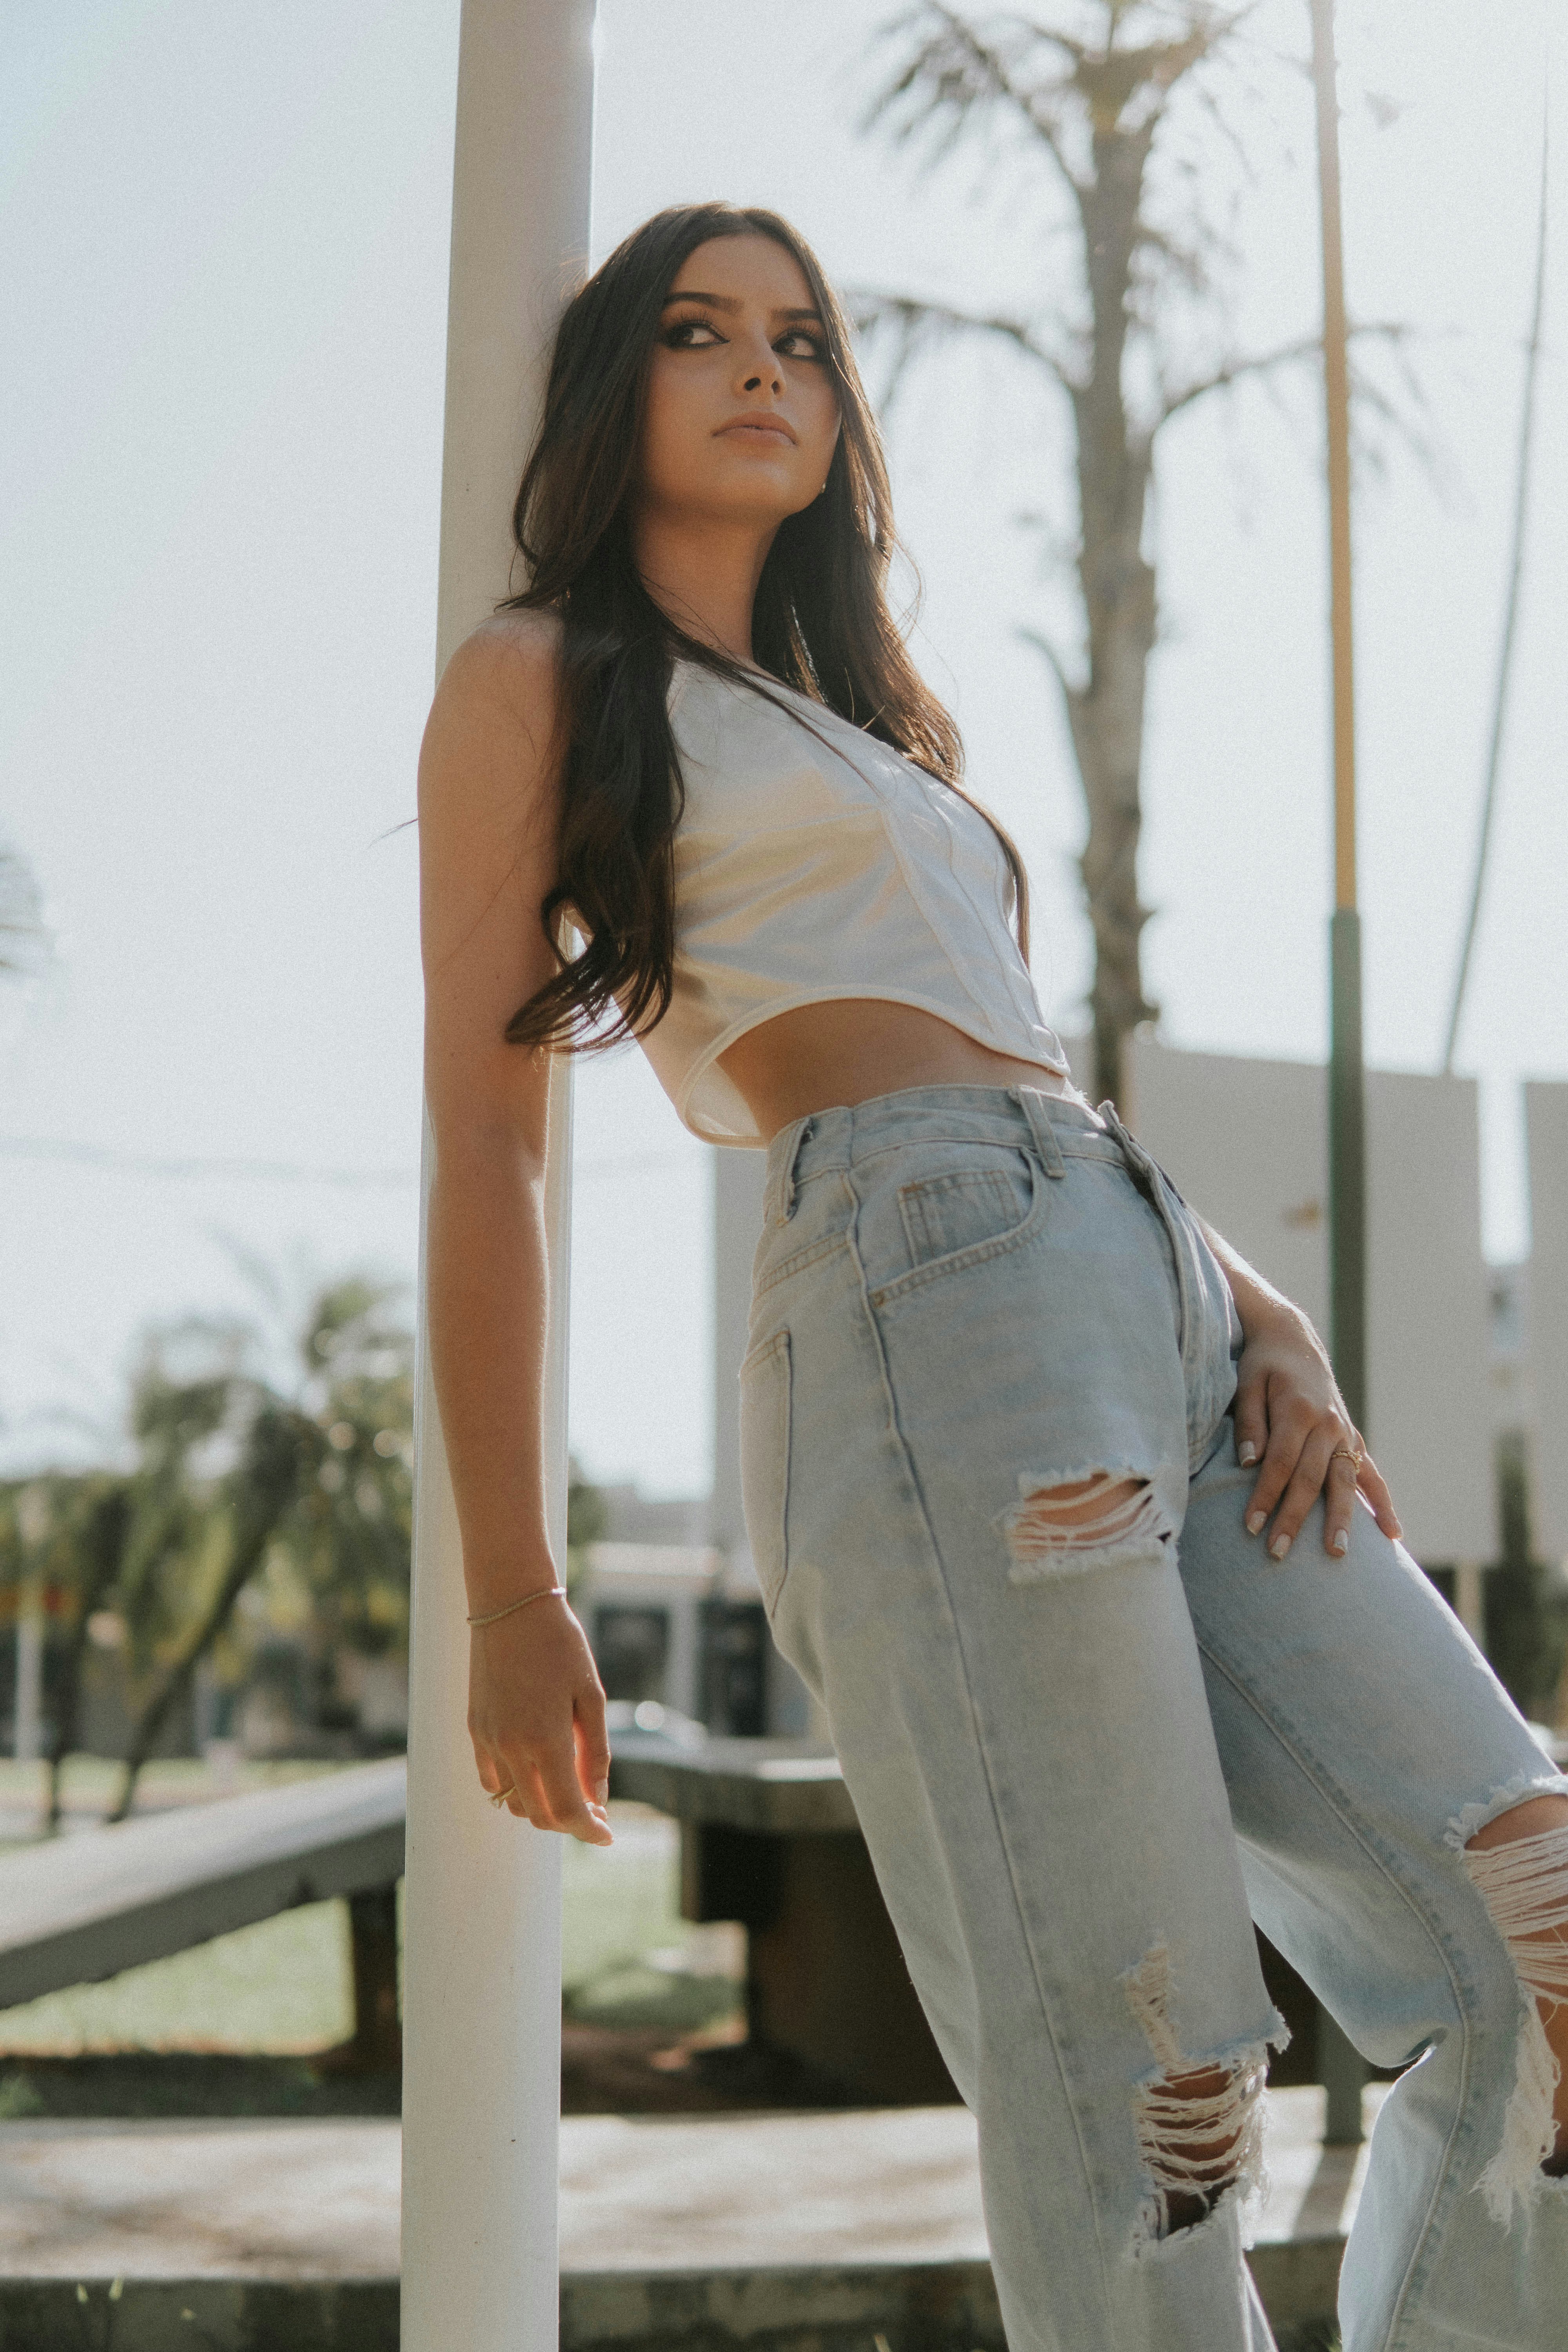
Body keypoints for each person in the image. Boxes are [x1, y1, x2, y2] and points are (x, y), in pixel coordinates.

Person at [417, 203, 1568, 2352]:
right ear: (612, 386)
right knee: (1152, 2085)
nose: (764, 370)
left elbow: (1022, 1064)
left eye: (801, 341)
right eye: (699, 331)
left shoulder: (865, 725)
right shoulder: (544, 679)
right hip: (928, 1307)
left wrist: (1264, 1311)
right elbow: (489, 1141)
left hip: (1140, 1271)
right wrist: (512, 1586)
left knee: (1536, 1921)